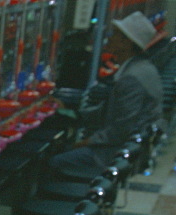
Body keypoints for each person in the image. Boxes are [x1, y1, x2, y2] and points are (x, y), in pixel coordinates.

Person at [50, 11, 163, 172]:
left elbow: (120, 130)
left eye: (116, 34)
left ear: (126, 43)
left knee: (56, 160)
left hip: (114, 154)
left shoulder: (132, 78)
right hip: (126, 147)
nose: (110, 36)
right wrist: (69, 110)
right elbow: (108, 112)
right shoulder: (139, 68)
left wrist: (84, 142)